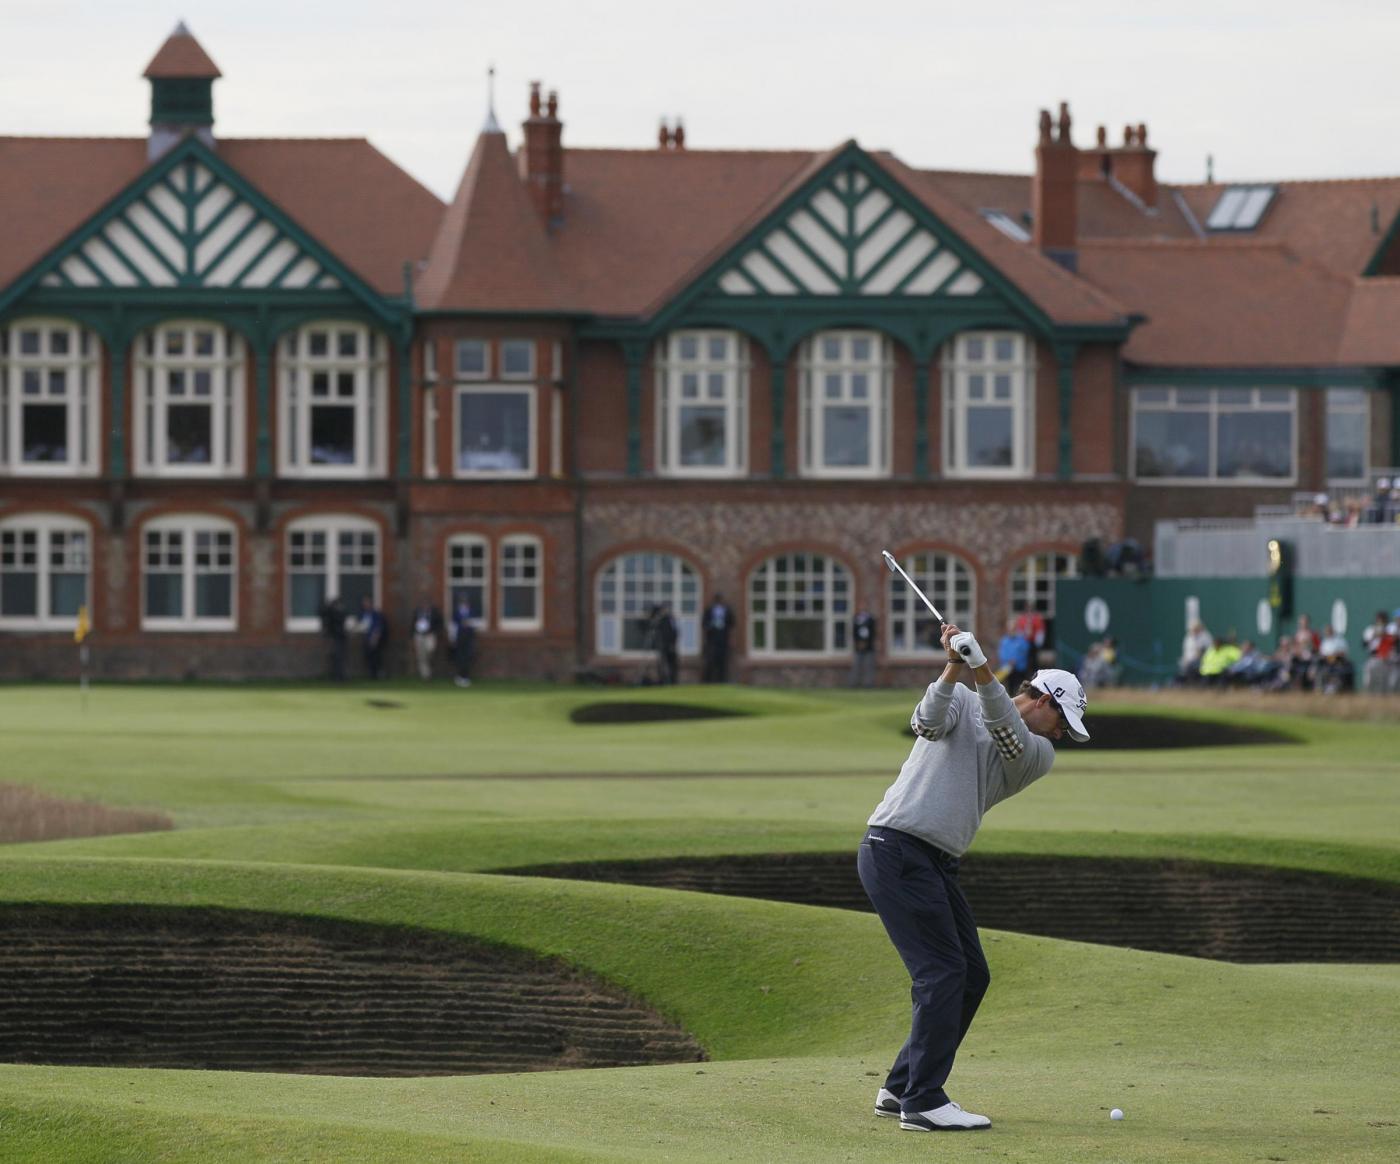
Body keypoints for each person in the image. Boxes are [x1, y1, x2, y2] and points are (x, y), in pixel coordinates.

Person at [859, 622, 1089, 1133]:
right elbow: (925, 722)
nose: (1061, 736)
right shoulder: (964, 699)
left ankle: (900, 1088)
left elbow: (1004, 728)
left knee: (971, 974)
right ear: (1043, 699)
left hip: (935, 860)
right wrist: (954, 666)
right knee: (941, 973)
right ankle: (923, 1099)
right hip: (896, 847)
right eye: (1062, 723)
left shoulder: (1036, 755)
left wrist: (980, 665)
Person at [702, 593, 734, 683]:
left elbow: (732, 622)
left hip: (723, 639)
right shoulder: (709, 610)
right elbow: (704, 623)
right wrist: (712, 626)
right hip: (712, 640)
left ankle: (722, 680)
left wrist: (724, 626)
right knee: (711, 661)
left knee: (723, 661)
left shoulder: (727, 610)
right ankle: (709, 680)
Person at [410, 596, 444, 681]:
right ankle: (426, 675)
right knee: (421, 656)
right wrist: (412, 634)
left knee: (430, 650)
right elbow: (412, 623)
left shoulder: (434, 612)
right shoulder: (418, 612)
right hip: (419, 635)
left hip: (430, 634)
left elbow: (439, 623)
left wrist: (436, 632)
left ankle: (429, 664)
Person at [995, 618, 1031, 692]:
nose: (1012, 630)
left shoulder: (1021, 639)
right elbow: (1002, 654)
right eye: (1010, 628)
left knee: (1020, 688)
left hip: (1020, 669)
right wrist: (1009, 661)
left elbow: (1025, 651)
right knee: (1010, 687)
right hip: (1008, 669)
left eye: (1013, 628)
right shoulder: (1004, 641)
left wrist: (1016, 660)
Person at [448, 595, 476, 687]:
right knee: (460, 658)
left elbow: (473, 625)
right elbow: (453, 627)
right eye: (463, 602)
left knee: (468, 658)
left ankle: (466, 677)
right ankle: (459, 677)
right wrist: (452, 638)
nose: (464, 604)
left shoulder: (471, 612)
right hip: (459, 638)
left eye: (466, 602)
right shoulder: (456, 613)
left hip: (468, 638)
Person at [319, 594, 348, 681]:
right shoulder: (333, 613)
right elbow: (323, 613)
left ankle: (338, 676)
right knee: (336, 657)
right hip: (335, 637)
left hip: (338, 637)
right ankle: (337, 676)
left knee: (338, 657)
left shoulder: (339, 613)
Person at [358, 595, 387, 679]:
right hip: (366, 638)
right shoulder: (363, 614)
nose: (365, 604)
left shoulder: (376, 614)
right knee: (368, 657)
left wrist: (375, 638)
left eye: (367, 602)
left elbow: (378, 627)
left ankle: (377, 673)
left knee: (376, 657)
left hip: (374, 638)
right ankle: (371, 674)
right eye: (364, 603)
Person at [1177, 619, 1212, 684]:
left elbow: (1204, 651)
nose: (1193, 630)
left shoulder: (1205, 636)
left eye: (1195, 628)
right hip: (1189, 660)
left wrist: (1195, 658)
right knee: (1182, 664)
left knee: (1191, 665)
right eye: (1192, 628)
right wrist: (1185, 659)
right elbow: (1186, 651)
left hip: (1201, 660)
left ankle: (1192, 683)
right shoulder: (1188, 638)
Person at [850, 609, 878, 687]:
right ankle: (854, 684)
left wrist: (866, 643)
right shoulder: (856, 618)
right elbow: (854, 632)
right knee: (856, 666)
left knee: (869, 667)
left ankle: (868, 684)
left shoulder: (871, 619)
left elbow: (873, 633)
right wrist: (859, 643)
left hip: (869, 647)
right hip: (858, 647)